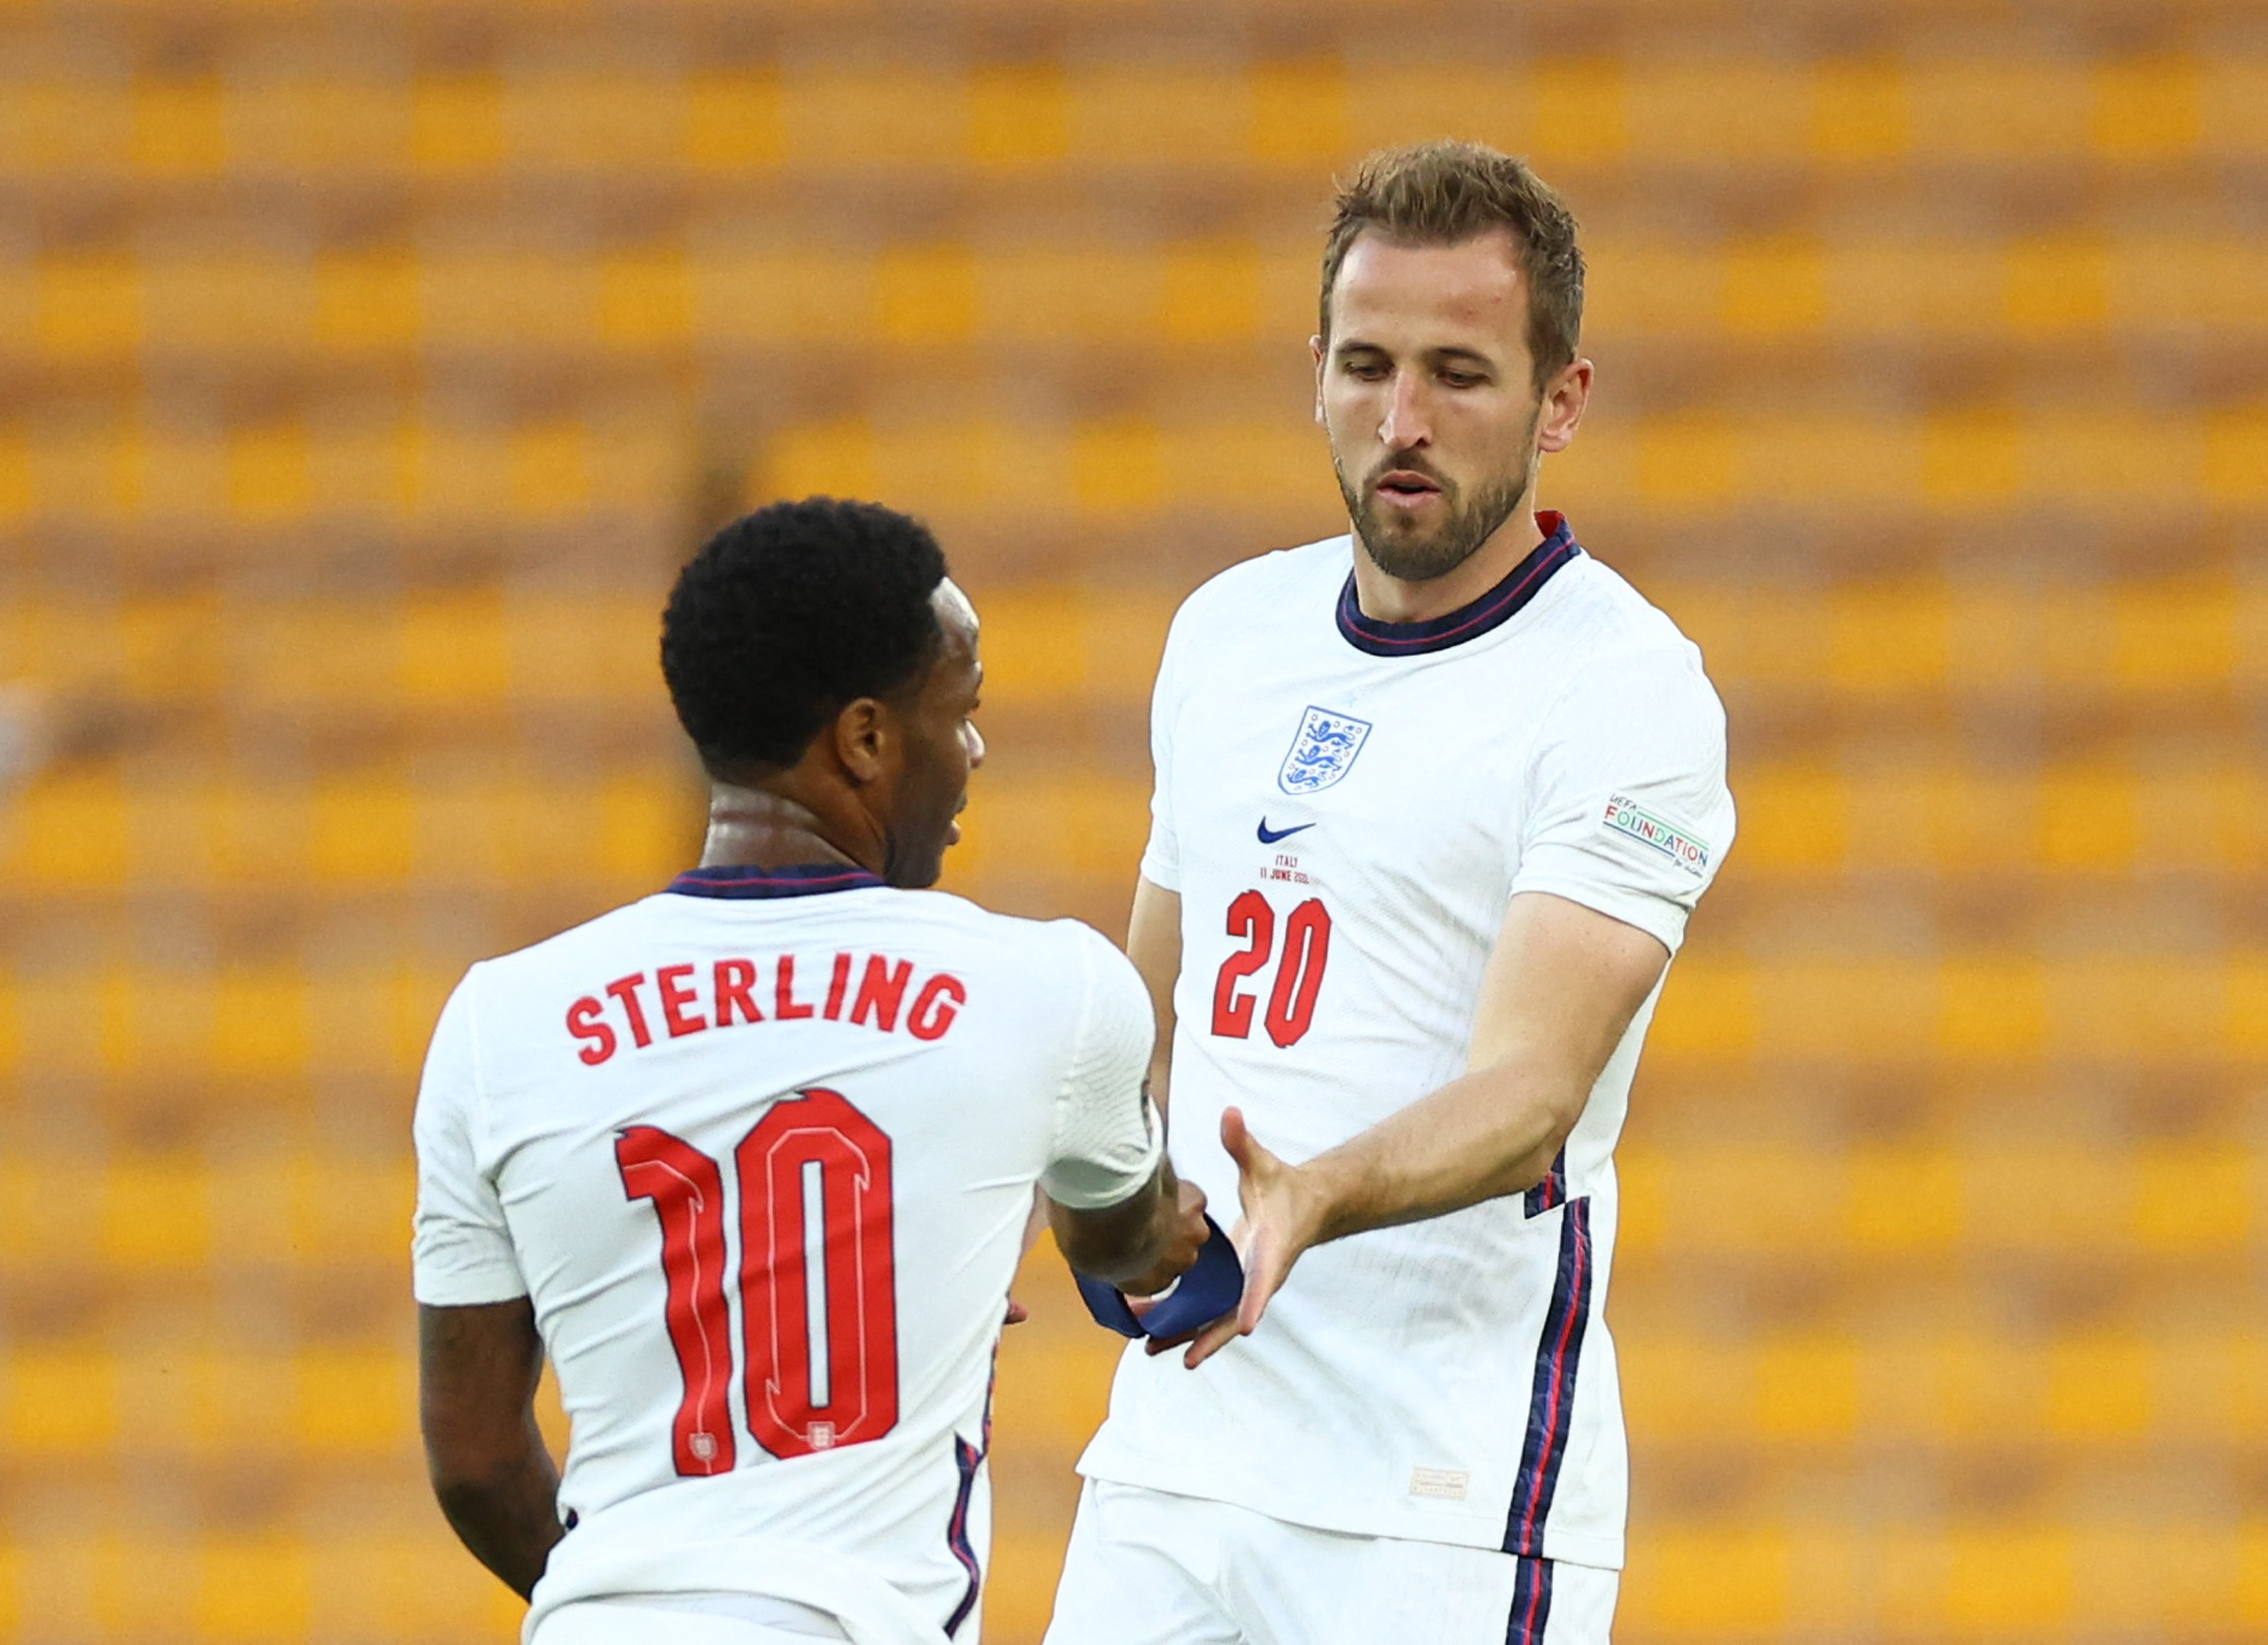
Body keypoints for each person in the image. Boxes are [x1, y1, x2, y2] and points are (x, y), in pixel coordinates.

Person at [1046, 141, 1736, 1645]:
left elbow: (1533, 1092)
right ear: (1316, 372)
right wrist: (1077, 1187)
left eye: (1459, 375)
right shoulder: (1227, 634)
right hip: (1174, 1465)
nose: (1402, 421)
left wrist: (1315, 1194)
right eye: (1366, 365)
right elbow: (1142, 1018)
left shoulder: (1626, 693)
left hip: (1437, 1500)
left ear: (1563, 401)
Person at [412, 497, 1209, 1645]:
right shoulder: (1049, 987)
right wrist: (1156, 1234)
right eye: (961, 710)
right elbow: (1122, 1236)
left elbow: (478, 1458)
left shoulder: (499, 1020)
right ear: (867, 739)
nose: (973, 749)